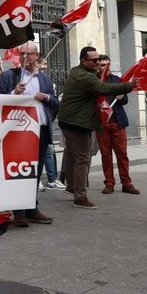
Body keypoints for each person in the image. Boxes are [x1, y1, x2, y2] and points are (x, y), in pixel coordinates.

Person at [58, 46, 135, 210]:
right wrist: (129, 85)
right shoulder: (86, 77)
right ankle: (80, 197)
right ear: (83, 61)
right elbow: (103, 89)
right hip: (77, 122)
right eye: (94, 60)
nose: (98, 63)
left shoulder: (78, 71)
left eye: (99, 59)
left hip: (71, 120)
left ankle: (72, 187)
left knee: (72, 155)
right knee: (82, 158)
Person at [0, 41, 58, 226]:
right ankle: (18, 211)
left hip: (41, 130)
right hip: (19, 133)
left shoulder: (44, 79)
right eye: (21, 53)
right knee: (19, 171)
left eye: (28, 54)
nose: (24, 57)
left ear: (37, 56)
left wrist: (46, 97)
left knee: (36, 172)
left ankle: (32, 208)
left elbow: (55, 103)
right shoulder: (9, 76)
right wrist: (14, 93)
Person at [96, 55, 139, 195]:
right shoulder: (94, 81)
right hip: (102, 123)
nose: (106, 67)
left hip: (118, 122)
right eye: (103, 65)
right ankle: (109, 183)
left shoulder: (117, 80)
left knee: (122, 154)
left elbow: (125, 100)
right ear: (97, 66)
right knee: (106, 154)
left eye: (108, 64)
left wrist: (121, 98)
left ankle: (126, 183)